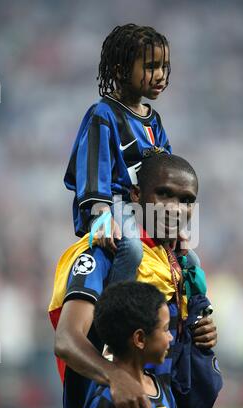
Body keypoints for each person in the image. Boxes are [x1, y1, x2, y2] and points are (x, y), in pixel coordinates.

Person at [49, 152, 218, 408]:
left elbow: (168, 343)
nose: (175, 209)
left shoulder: (179, 265)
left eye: (186, 201)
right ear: (137, 196)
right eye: (164, 194)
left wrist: (198, 333)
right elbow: (66, 340)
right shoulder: (104, 254)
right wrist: (116, 377)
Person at [64, 23, 199, 283]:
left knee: (191, 259)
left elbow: (168, 173)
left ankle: (193, 314)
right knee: (133, 248)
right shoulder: (103, 114)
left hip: (146, 206)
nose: (160, 75)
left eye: (164, 67)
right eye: (150, 67)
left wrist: (178, 227)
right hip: (114, 204)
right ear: (121, 70)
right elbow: (93, 169)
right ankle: (117, 305)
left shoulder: (154, 120)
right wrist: (100, 213)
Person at [81, 281, 184, 408]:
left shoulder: (164, 391)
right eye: (165, 330)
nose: (170, 338)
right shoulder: (106, 404)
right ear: (140, 339)